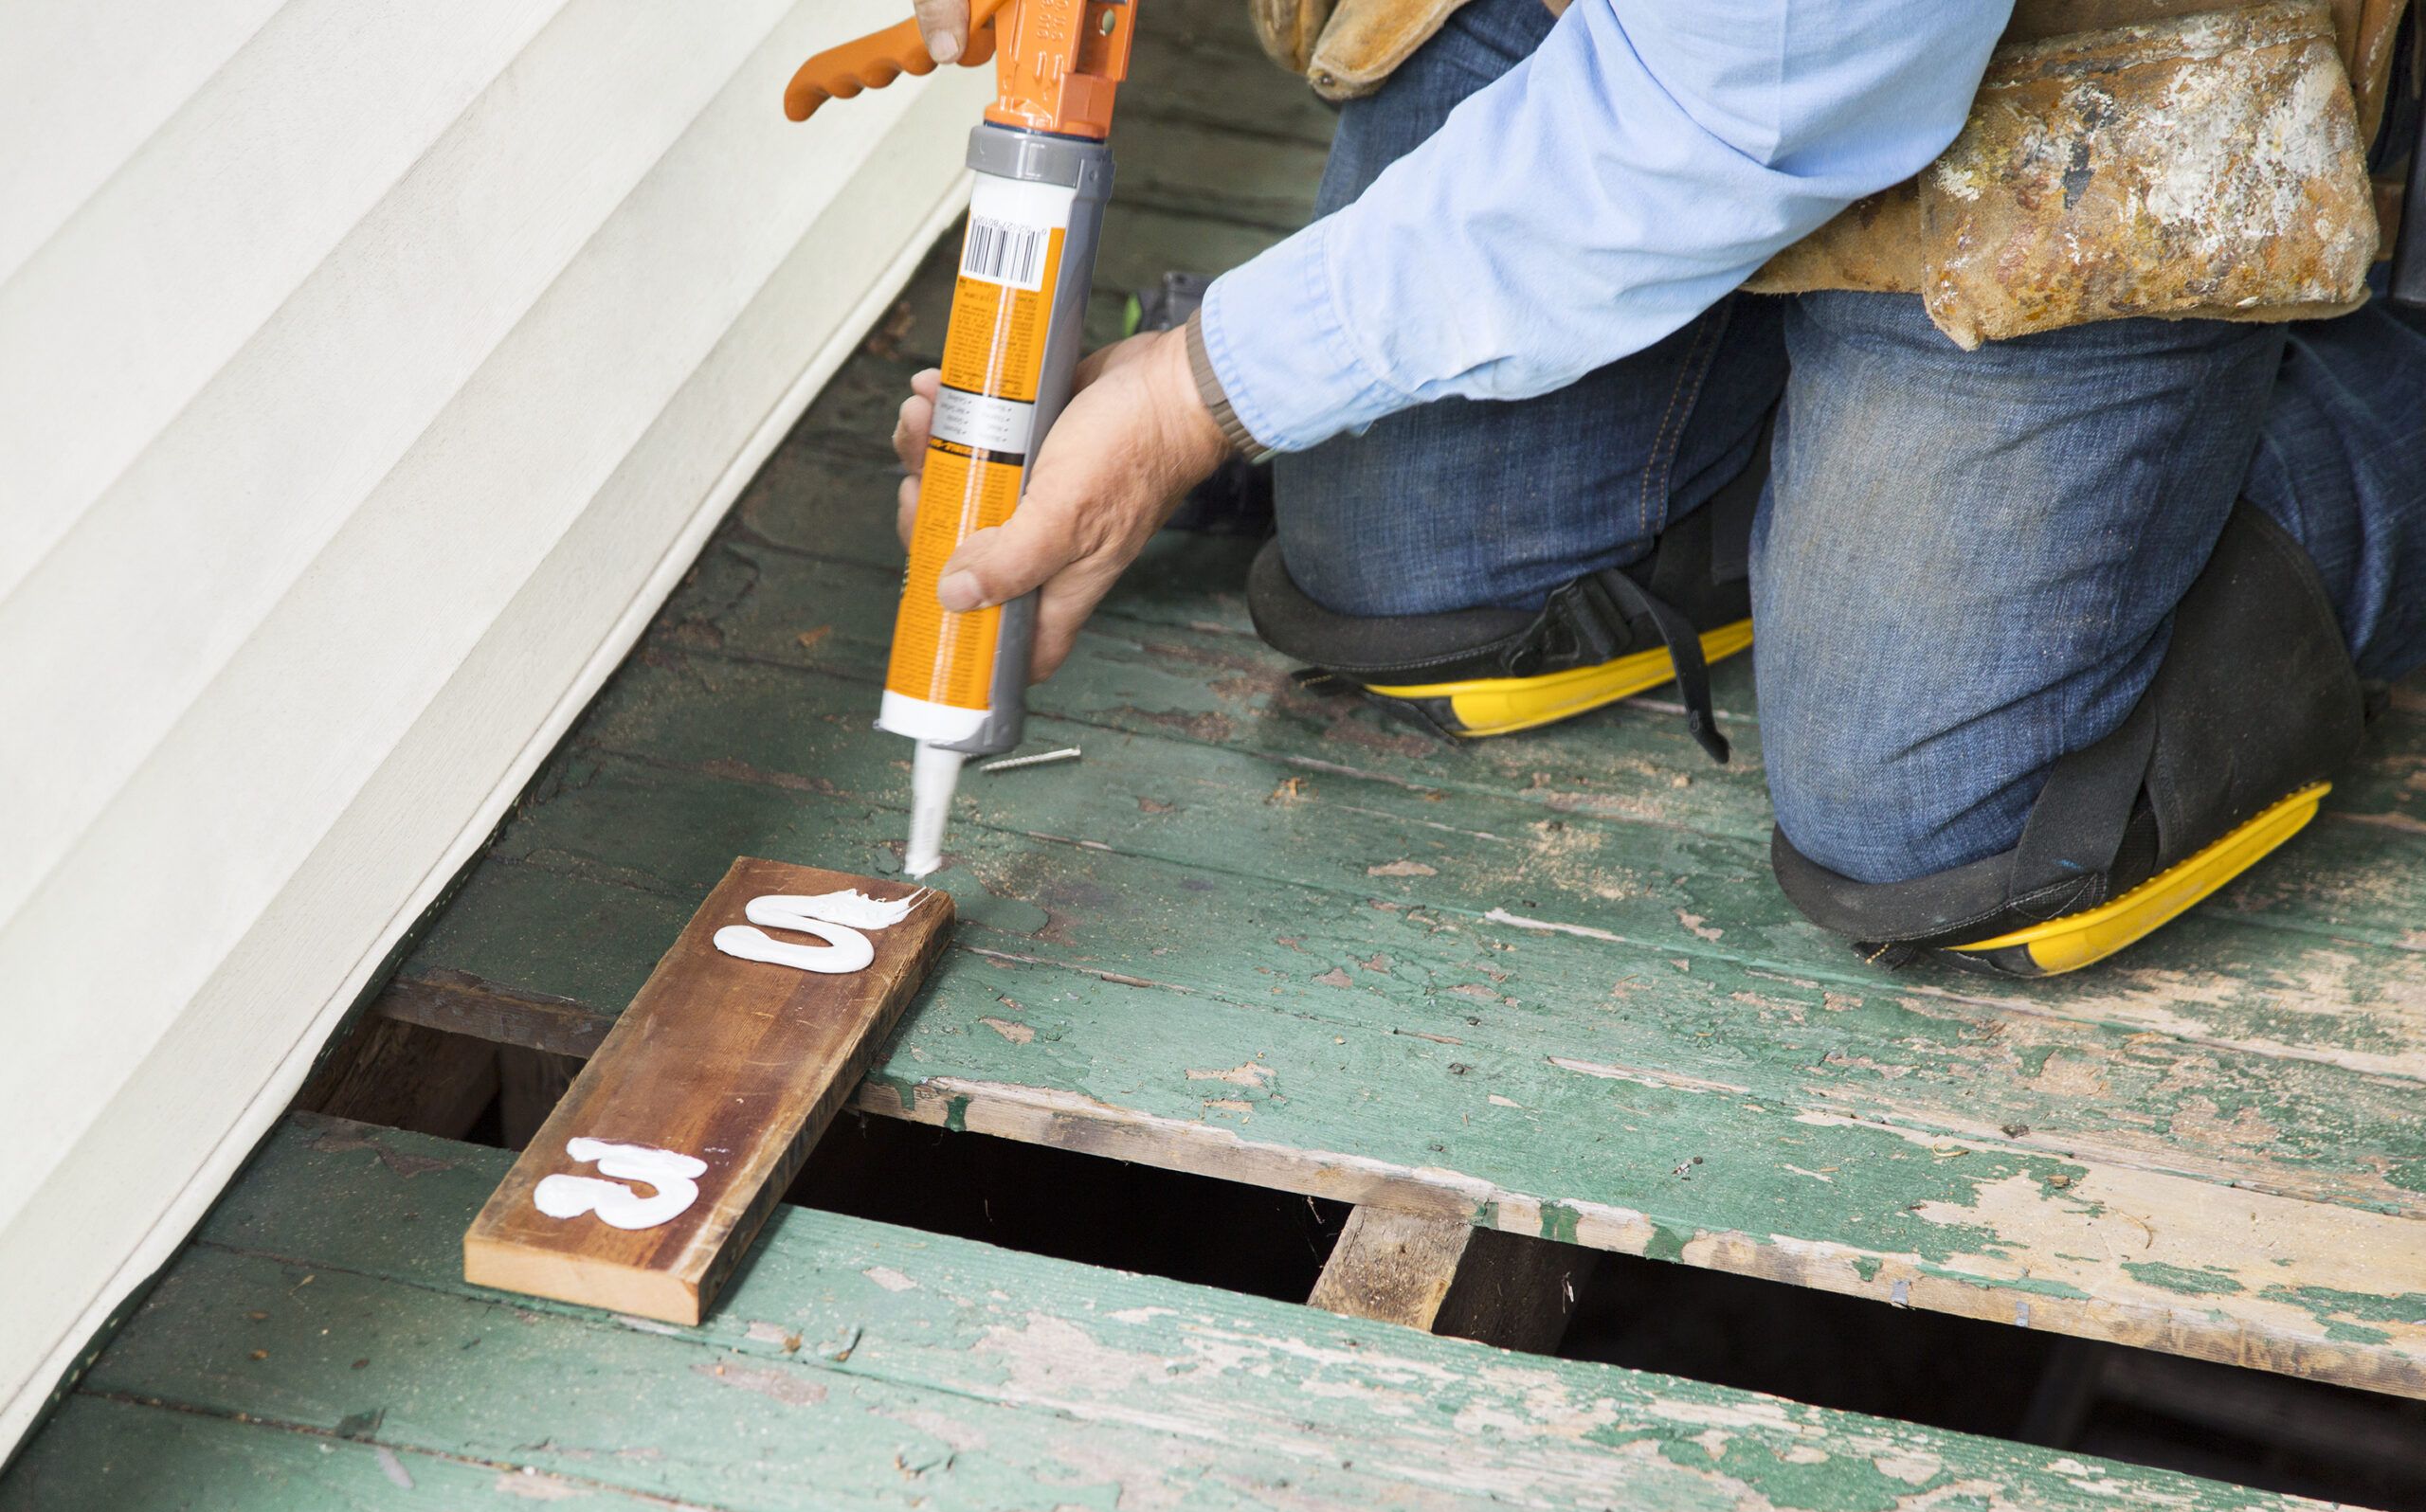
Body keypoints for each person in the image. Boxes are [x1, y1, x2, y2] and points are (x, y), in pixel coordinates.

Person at [892, 0, 2424, 976]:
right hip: (1681, 34)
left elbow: (1744, 106)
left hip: (2076, 47)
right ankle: (1800, 421)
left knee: (1949, 807)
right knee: (1405, 561)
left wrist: (1203, 395)